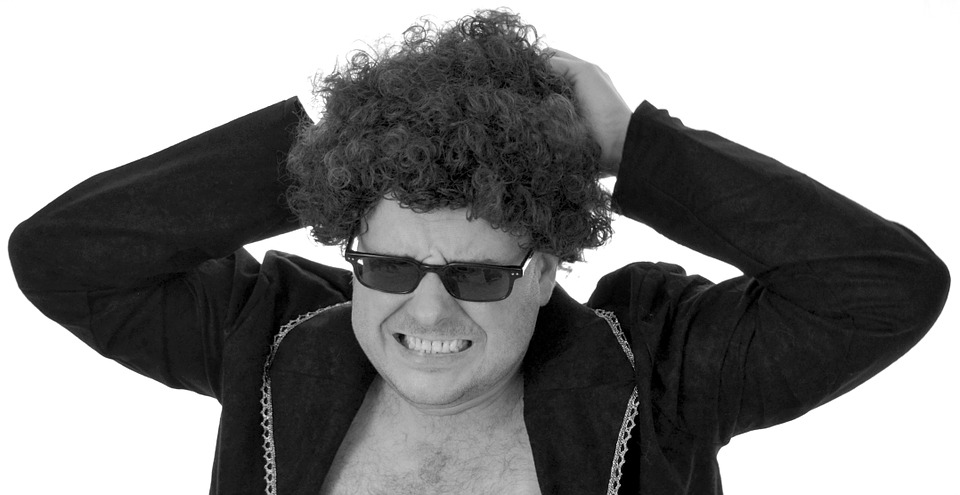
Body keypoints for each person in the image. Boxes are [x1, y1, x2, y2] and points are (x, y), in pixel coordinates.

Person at [8, 9, 949, 495]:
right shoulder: (266, 339)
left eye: (477, 276)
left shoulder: (660, 369)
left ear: (543, 270)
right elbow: (62, 257)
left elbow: (884, 288)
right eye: (388, 266)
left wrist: (635, 147)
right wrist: (315, 152)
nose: (426, 311)